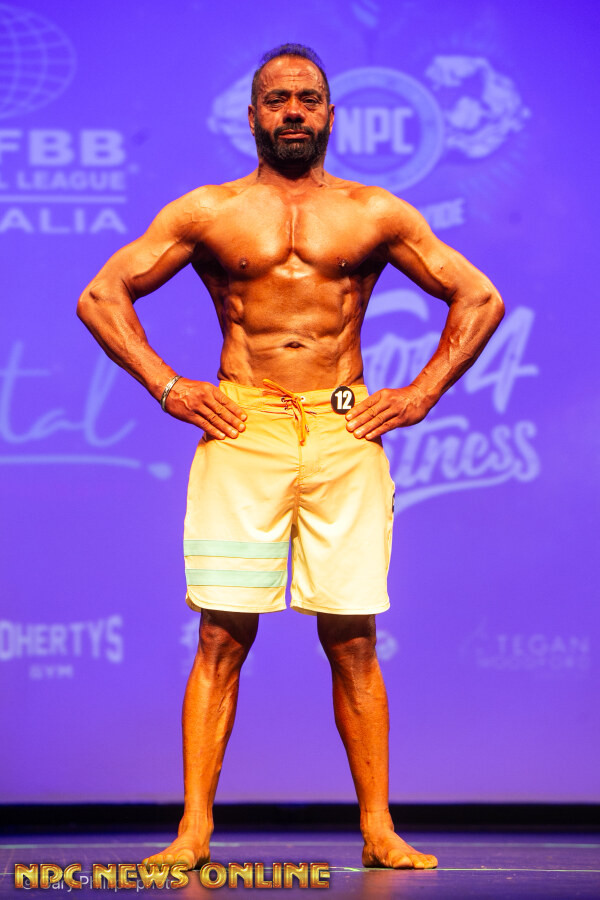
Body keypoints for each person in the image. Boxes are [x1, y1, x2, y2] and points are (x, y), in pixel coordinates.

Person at [77, 43, 504, 870]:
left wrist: (421, 394)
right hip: (246, 428)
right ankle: (194, 831)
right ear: (253, 116)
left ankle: (378, 829)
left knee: (354, 638)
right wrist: (169, 386)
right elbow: (101, 295)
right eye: (278, 100)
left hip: (344, 431)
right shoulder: (210, 211)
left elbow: (478, 297)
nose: (294, 112)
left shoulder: (375, 212)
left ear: (331, 114)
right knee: (220, 635)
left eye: (308, 98)